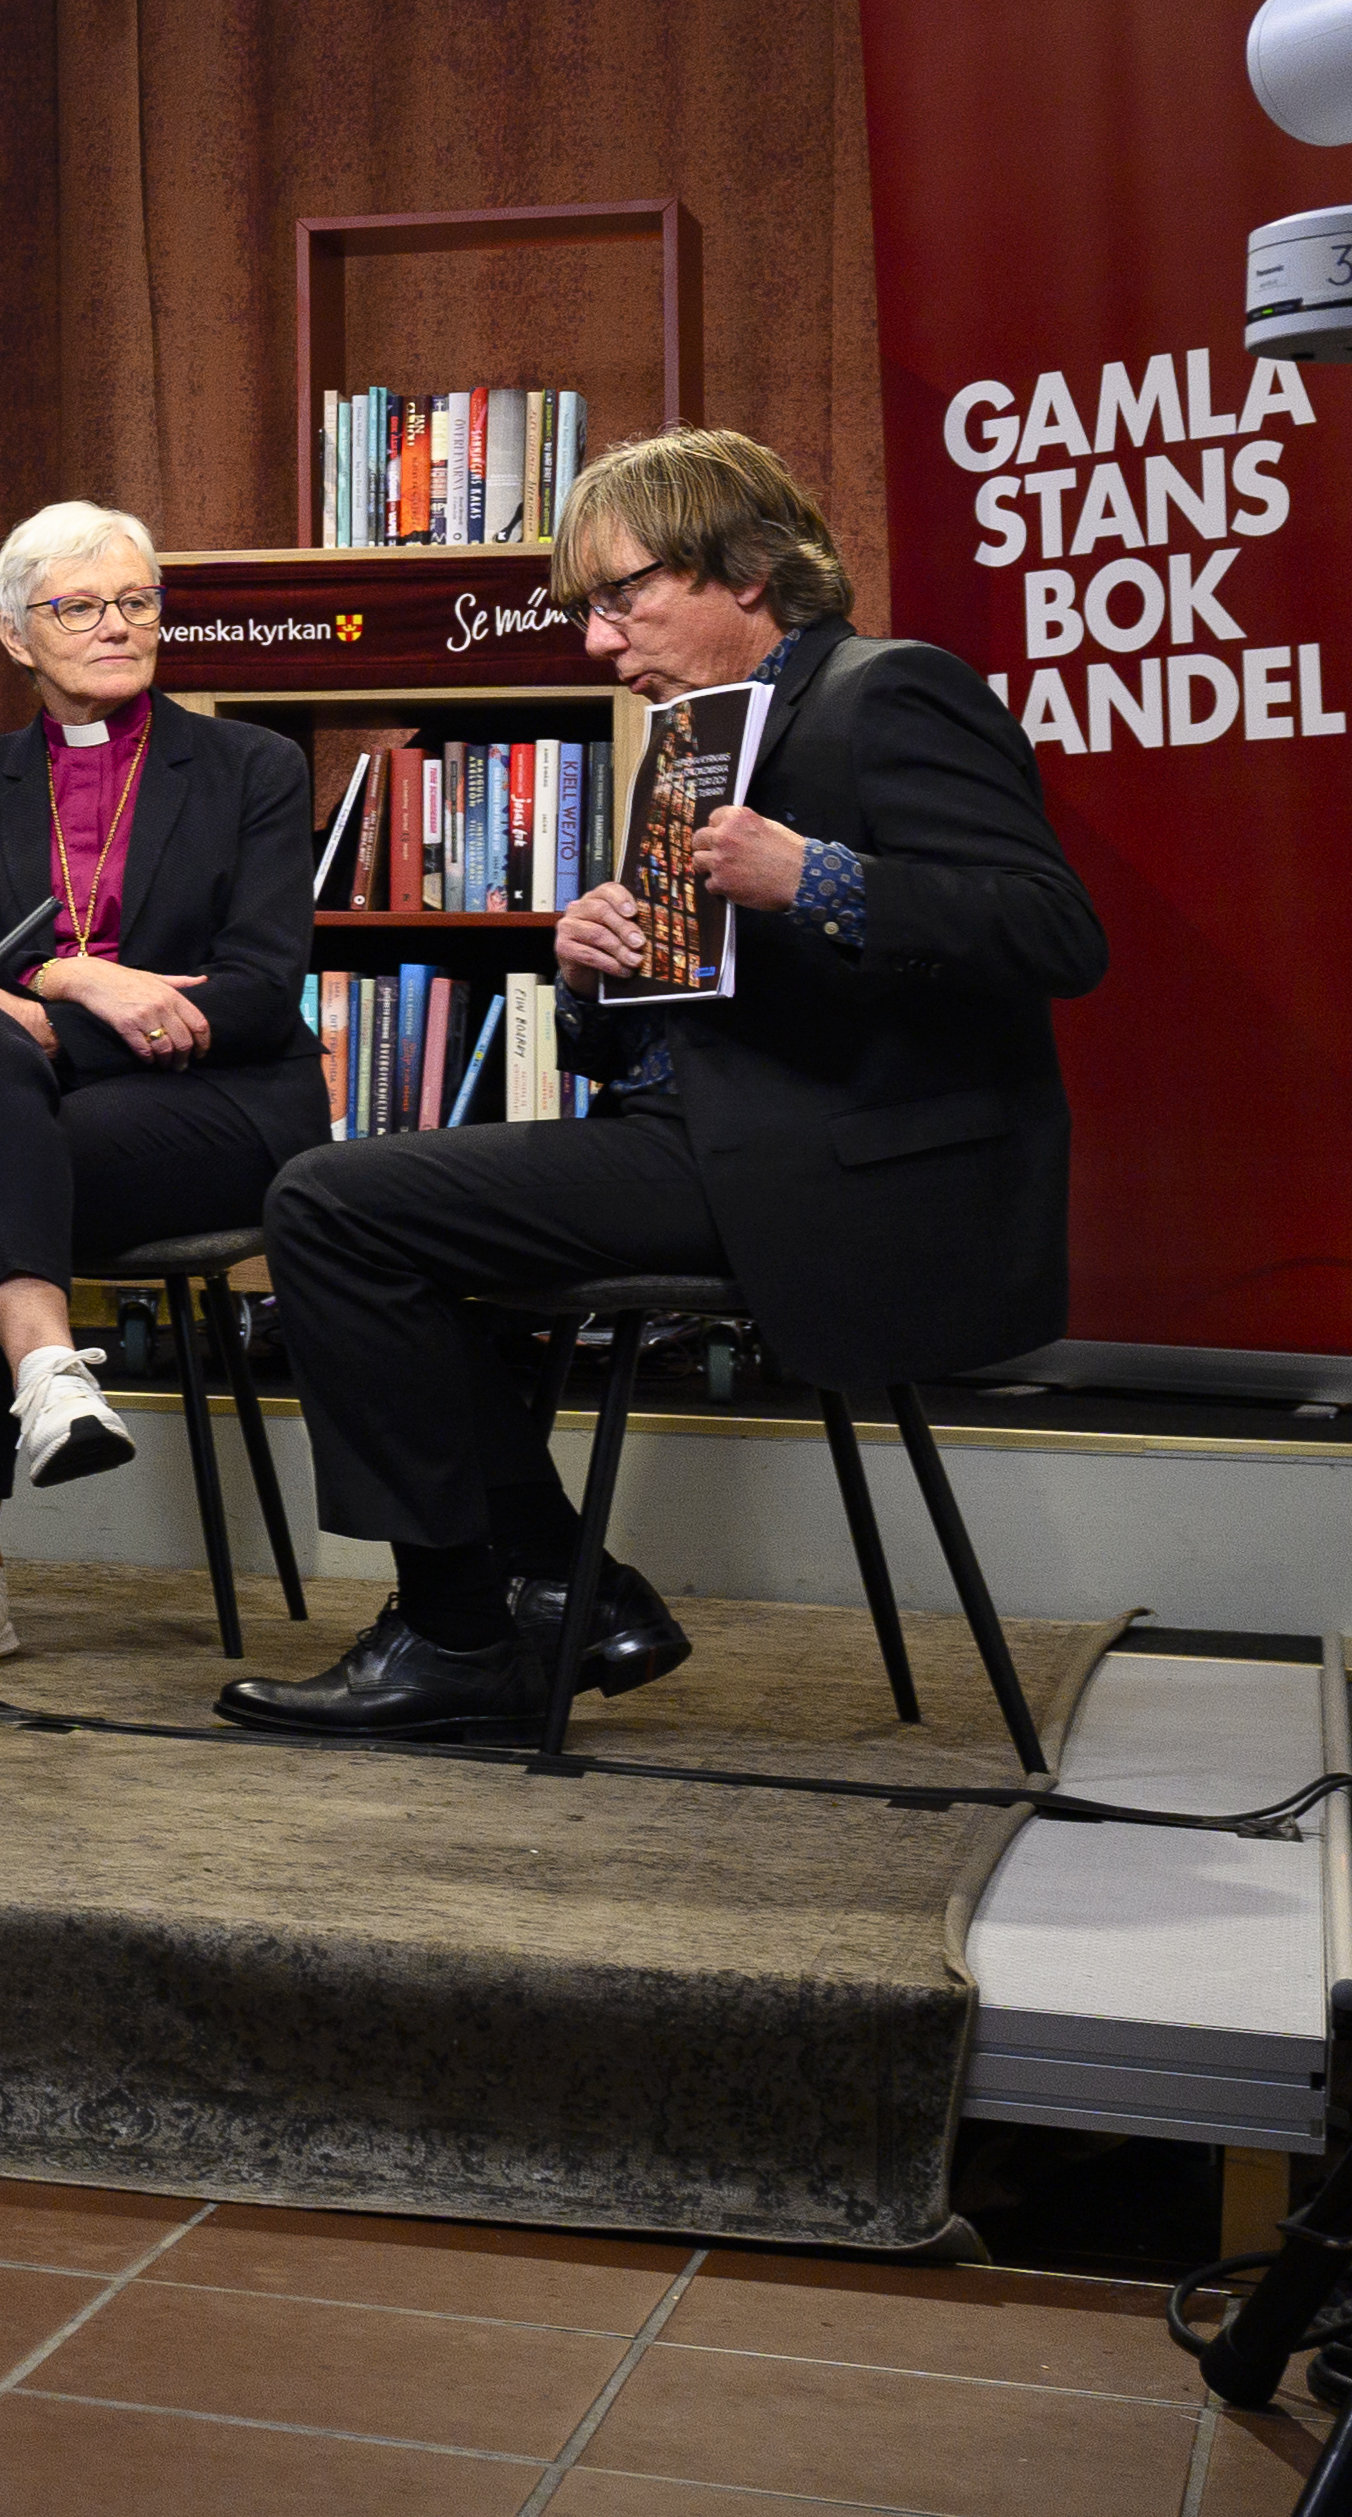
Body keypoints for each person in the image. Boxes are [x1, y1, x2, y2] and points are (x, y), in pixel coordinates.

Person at [224, 428, 1105, 1738]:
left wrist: (820, 874)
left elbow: (1055, 932)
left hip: (849, 1170)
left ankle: (476, 1626)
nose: (595, 641)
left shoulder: (894, 690)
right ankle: (559, 1596)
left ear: (746, 568)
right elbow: (661, 1028)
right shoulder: (693, 740)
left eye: (620, 596)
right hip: (713, 1138)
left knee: (334, 1205)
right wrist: (591, 973)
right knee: (364, 1225)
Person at [0, 504, 328, 1667]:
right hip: (33, 1118)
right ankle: (47, 1373)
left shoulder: (252, 766)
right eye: (76, 606)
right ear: (16, 635)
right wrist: (88, 978)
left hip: (221, 1110)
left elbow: (258, 991)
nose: (115, 626)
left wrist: (57, 1015)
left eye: (135, 601)